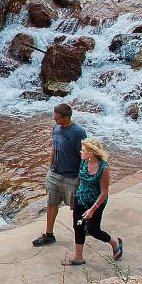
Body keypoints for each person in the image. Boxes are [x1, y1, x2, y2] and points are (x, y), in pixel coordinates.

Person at [65, 136, 122, 266]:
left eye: (83, 150)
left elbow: (104, 192)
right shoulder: (84, 161)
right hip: (81, 197)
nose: (80, 152)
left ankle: (115, 242)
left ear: (90, 153)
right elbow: (80, 179)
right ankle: (78, 257)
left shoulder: (103, 168)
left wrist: (92, 209)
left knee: (93, 230)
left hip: (96, 201)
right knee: (78, 226)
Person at [34, 103, 85, 247]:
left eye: (57, 118)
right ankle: (49, 234)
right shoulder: (56, 127)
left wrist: (81, 177)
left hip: (71, 176)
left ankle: (82, 229)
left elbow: (84, 156)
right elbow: (54, 146)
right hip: (54, 174)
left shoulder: (78, 132)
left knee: (76, 207)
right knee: (51, 203)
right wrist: (50, 166)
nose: (54, 119)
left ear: (67, 117)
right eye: (54, 117)